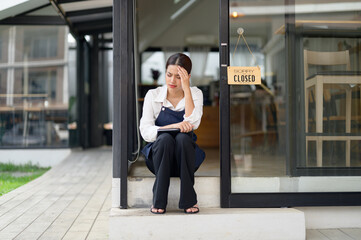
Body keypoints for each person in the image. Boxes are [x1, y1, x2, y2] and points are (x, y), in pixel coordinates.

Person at [140, 53, 205, 214]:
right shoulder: (153, 96)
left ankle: (189, 200)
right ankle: (159, 201)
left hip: (186, 160)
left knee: (183, 138)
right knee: (165, 140)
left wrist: (187, 88)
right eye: (169, 75)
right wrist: (174, 125)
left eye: (178, 77)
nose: (172, 81)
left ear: (187, 77)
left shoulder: (196, 94)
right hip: (160, 160)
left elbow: (193, 122)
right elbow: (146, 131)